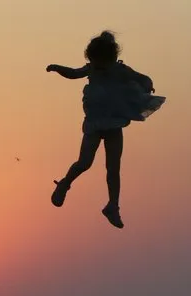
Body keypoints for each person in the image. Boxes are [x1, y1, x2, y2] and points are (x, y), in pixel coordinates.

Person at [46, 30, 166, 229]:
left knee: (113, 167)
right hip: (94, 124)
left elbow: (141, 77)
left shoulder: (119, 70)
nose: (99, 66)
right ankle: (65, 184)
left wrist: (148, 85)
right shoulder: (92, 68)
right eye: (95, 61)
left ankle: (113, 206)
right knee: (84, 162)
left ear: (110, 58)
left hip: (114, 123)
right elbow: (74, 73)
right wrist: (57, 68)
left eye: (102, 61)